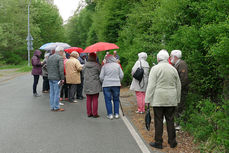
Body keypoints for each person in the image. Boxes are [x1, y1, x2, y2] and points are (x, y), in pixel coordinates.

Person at [145, 50, 181, 149]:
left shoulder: (155, 69)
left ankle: (158, 142)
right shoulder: (173, 69)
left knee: (158, 120)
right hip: (171, 98)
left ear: (158, 58)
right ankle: (172, 142)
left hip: (158, 99)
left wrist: (147, 99)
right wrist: (177, 98)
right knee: (170, 119)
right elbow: (178, 85)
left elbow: (151, 85)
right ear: (167, 58)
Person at [100, 54, 124, 120]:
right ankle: (116, 114)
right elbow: (122, 75)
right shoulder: (117, 66)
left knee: (108, 100)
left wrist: (103, 81)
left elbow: (101, 77)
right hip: (116, 84)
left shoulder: (104, 66)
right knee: (116, 99)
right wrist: (119, 80)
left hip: (106, 84)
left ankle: (110, 114)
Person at [170, 50, 189, 128]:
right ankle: (177, 122)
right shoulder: (177, 64)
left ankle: (180, 124)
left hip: (182, 90)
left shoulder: (182, 64)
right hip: (177, 90)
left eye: (171, 56)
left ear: (175, 57)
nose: (170, 58)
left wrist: (178, 89)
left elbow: (184, 79)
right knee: (177, 106)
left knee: (180, 106)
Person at [83, 53, 102, 118]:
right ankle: (95, 113)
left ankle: (89, 113)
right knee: (95, 98)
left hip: (87, 83)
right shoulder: (97, 65)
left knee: (88, 99)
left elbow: (83, 72)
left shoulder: (85, 65)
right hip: (95, 83)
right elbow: (100, 73)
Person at [47, 46, 65, 111]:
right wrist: (62, 78)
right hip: (57, 78)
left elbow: (47, 67)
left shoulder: (50, 57)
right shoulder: (60, 58)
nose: (63, 53)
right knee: (57, 93)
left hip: (50, 77)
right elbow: (61, 69)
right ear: (60, 51)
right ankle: (56, 107)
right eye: (63, 51)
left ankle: (52, 106)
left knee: (52, 93)